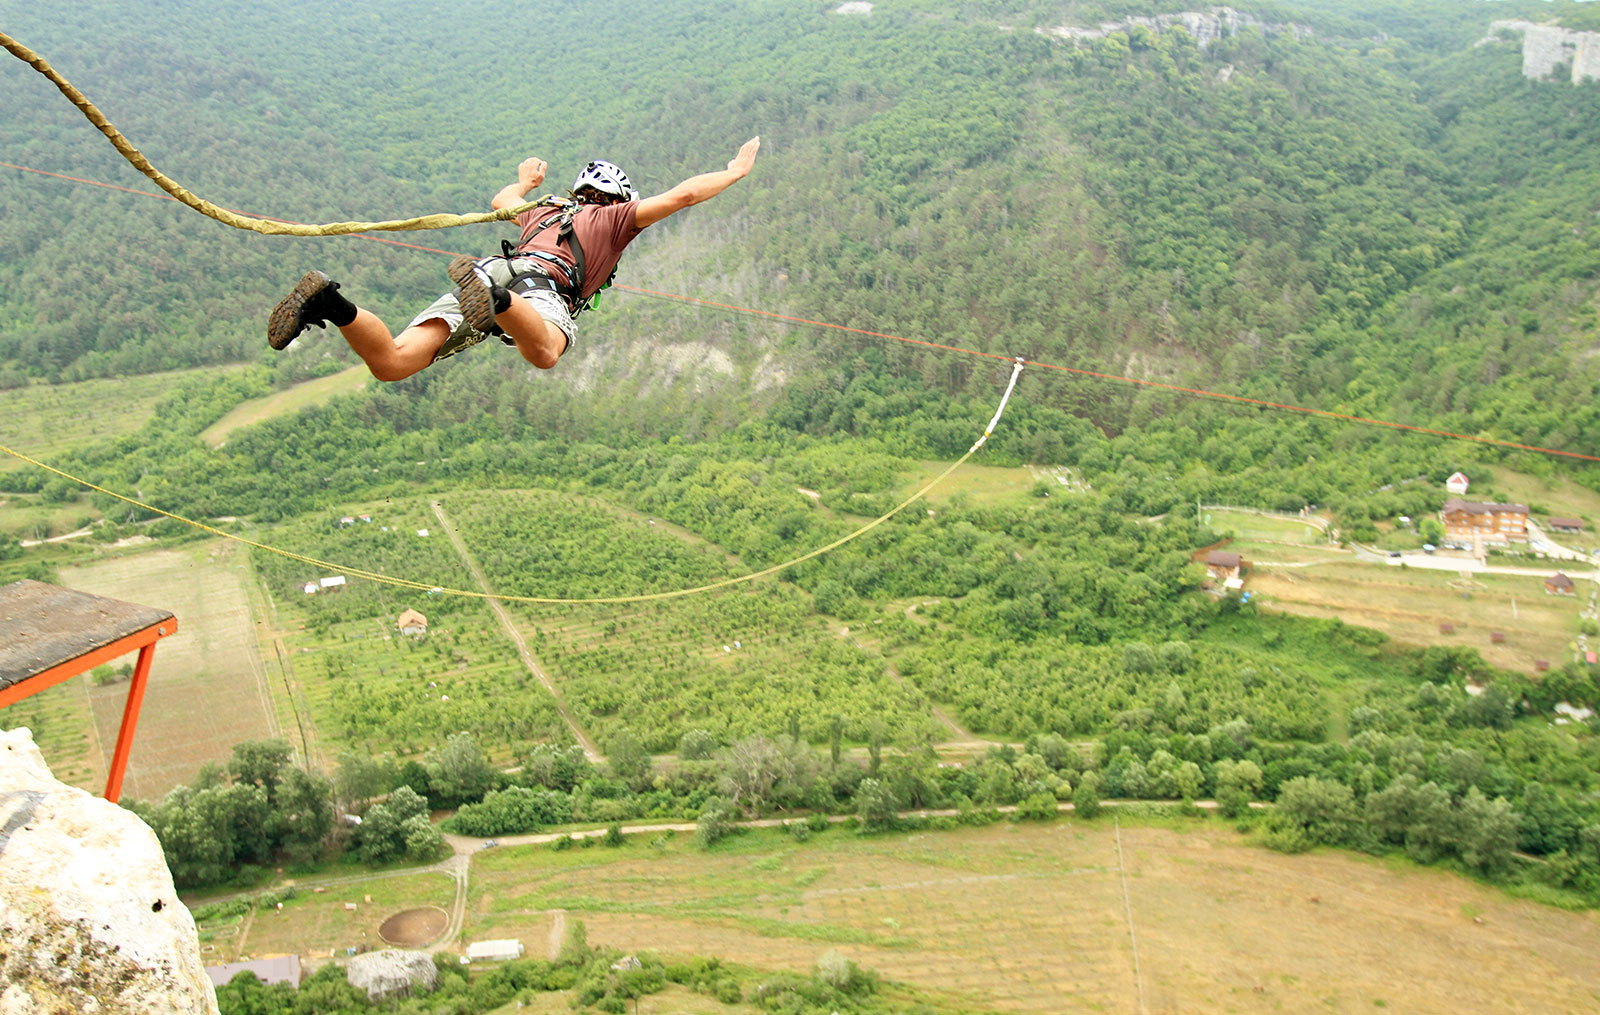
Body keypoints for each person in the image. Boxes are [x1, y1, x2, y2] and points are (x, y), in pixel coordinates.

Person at [267, 137, 761, 380]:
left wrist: (526, 183)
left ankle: (330, 303)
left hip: (495, 267)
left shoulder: (545, 210)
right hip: (537, 287)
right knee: (545, 352)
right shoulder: (616, 219)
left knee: (392, 363)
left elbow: (502, 200)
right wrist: (734, 172)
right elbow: (683, 196)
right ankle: (497, 301)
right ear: (618, 199)